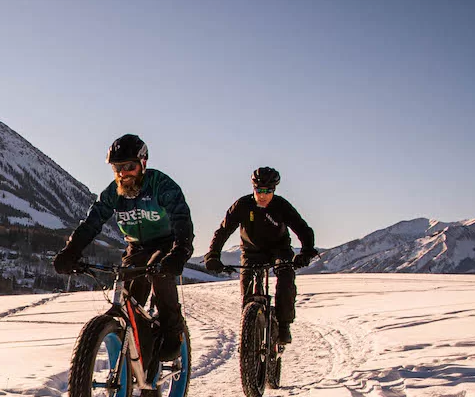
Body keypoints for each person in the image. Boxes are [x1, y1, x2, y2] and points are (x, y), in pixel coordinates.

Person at [52, 134, 193, 360]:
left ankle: (173, 329)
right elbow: (92, 222)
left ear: (142, 164)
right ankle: (142, 356)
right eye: (117, 168)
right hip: (135, 247)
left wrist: (181, 250)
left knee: (159, 273)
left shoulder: (161, 185)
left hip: (166, 244)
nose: (123, 173)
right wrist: (71, 250)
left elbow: (181, 219)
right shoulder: (113, 192)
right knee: (129, 301)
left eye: (129, 167)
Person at [202, 166, 318, 345]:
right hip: (251, 252)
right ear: (253, 188)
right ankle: (249, 334)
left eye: (267, 191)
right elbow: (223, 231)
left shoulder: (281, 206)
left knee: (286, 276)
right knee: (247, 288)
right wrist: (213, 254)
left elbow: (302, 229)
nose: (262, 195)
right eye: (259, 190)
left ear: (274, 190)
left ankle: (284, 326)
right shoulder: (242, 205)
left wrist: (307, 251)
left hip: (279, 250)